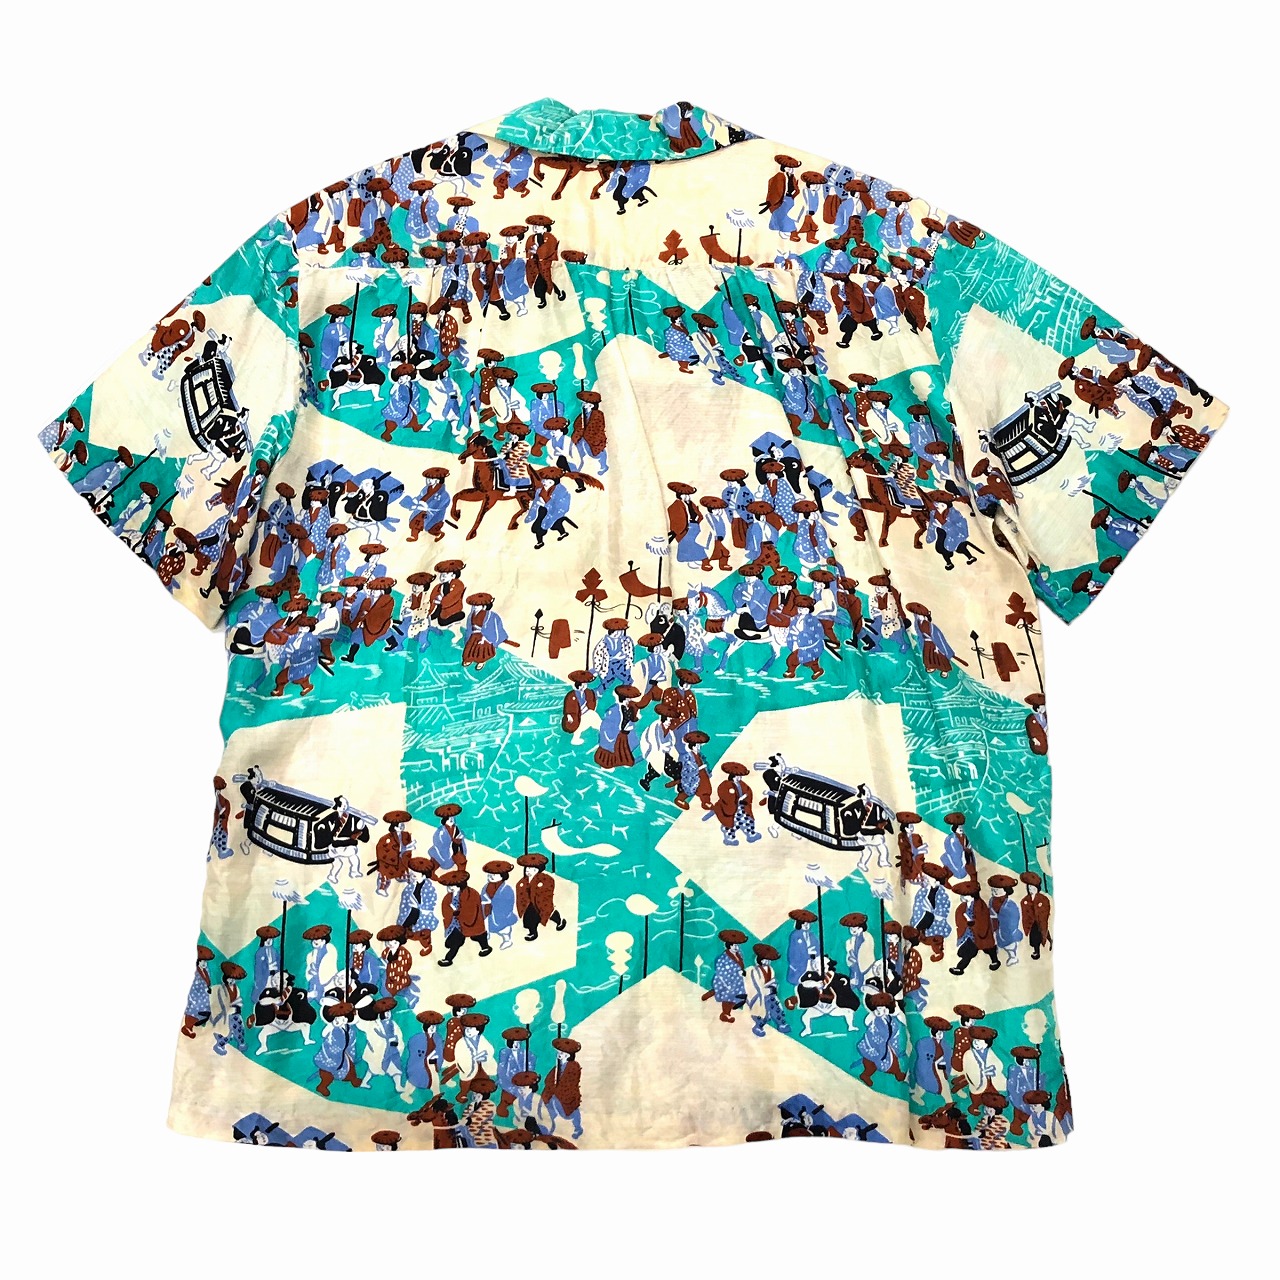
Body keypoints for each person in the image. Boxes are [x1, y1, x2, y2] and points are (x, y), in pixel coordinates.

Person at [437, 869, 492, 965]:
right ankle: (448, 959)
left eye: (452, 886)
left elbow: (471, 910)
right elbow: (445, 909)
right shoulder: (448, 897)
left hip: (471, 922)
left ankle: (485, 947)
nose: (449, 888)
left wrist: (458, 912)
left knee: (479, 935)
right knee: (455, 943)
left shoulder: (471, 893)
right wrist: (452, 913)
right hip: (456, 923)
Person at [515, 852, 566, 939]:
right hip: (530, 903)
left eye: (530, 868)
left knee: (549, 913)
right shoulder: (523, 881)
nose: (527, 870)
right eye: (526, 868)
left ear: (536, 870)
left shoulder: (545, 879)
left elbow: (547, 890)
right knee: (529, 918)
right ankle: (533, 933)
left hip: (540, 902)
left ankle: (559, 921)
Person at [703, 928, 748, 1023]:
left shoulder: (739, 954)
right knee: (727, 995)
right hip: (725, 980)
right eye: (734, 945)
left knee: (738, 994)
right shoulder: (723, 958)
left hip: (737, 981)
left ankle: (731, 1004)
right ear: (728, 945)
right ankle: (725, 1014)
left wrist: (741, 972)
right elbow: (720, 971)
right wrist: (736, 972)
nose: (736, 947)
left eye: (737, 945)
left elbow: (741, 964)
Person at [543, 1037, 583, 1139]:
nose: (559, 1055)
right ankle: (550, 1128)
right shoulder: (558, 1065)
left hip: (567, 1095)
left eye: (561, 1053)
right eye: (558, 1052)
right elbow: (550, 1079)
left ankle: (577, 1128)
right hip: (555, 1094)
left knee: (572, 1113)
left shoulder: (574, 1066)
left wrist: (557, 1089)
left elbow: (570, 1083)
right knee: (549, 1109)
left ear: (568, 1055)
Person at [747, 942, 791, 1037]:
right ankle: (758, 1027)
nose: (767, 962)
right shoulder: (755, 970)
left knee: (777, 1008)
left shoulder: (771, 969)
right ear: (760, 960)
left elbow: (773, 980)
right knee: (763, 1013)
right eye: (765, 960)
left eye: (769, 960)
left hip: (771, 994)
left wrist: (773, 985)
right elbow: (757, 985)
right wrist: (767, 987)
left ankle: (782, 1024)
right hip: (760, 995)